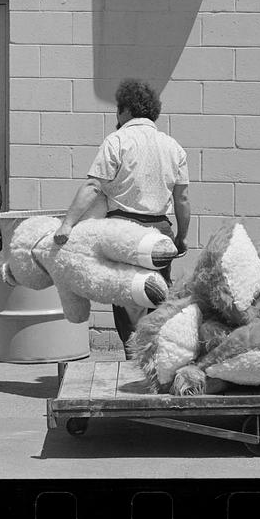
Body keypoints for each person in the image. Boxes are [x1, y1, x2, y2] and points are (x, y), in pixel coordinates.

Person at [52, 78, 191, 357]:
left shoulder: (116, 141)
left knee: (124, 295)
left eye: (117, 109)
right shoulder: (173, 146)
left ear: (126, 109)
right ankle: (158, 359)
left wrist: (67, 225)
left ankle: (132, 359)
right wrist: (180, 237)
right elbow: (182, 199)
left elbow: (93, 186)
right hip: (160, 231)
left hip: (123, 231)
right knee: (158, 298)